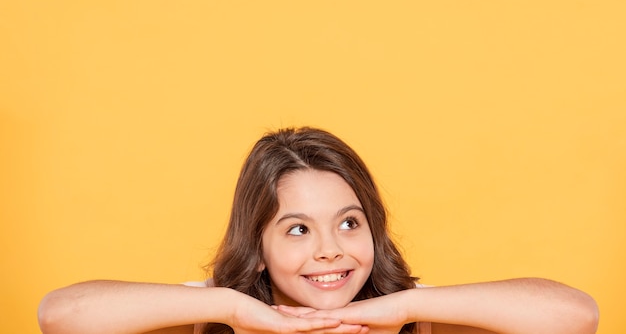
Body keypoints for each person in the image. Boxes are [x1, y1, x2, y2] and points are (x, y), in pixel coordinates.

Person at [38, 127, 599, 334]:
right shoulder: (219, 316)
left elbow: (575, 317)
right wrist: (235, 310)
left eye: (349, 223)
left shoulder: (409, 319)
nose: (330, 251)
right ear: (256, 248)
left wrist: (399, 308)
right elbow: (61, 315)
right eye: (298, 230)